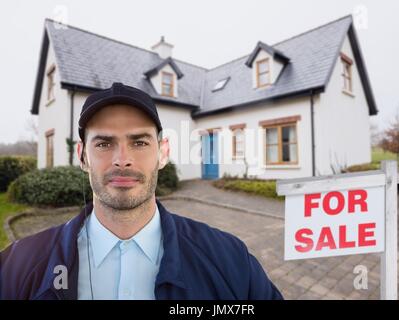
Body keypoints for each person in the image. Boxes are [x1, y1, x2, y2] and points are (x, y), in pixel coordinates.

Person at [0, 82, 283, 300]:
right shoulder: (16, 268)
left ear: (163, 153)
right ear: (82, 156)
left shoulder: (229, 260)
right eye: (103, 144)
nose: (122, 159)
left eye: (139, 142)